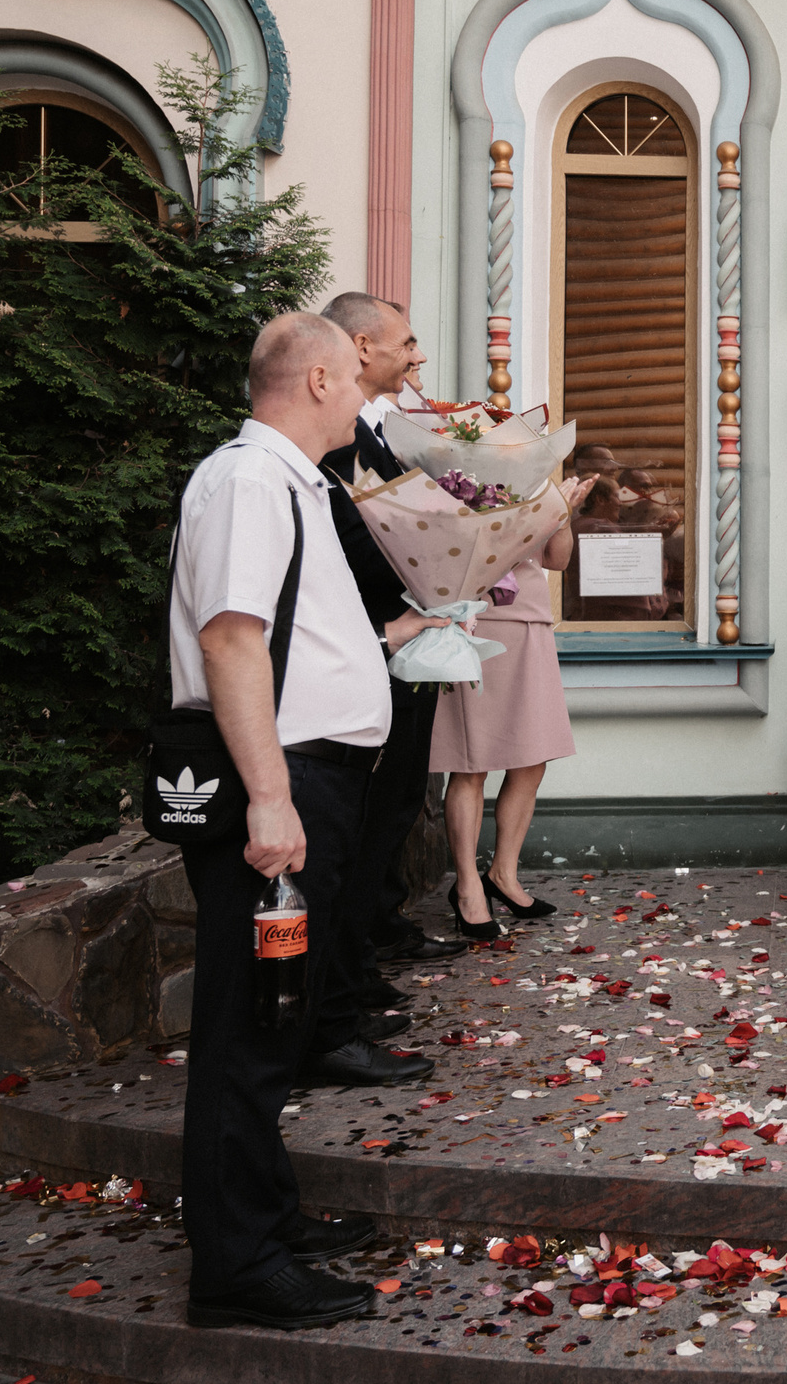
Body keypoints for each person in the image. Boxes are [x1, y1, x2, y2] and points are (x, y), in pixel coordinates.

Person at [168, 312, 438, 1330]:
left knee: (277, 1017)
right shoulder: (246, 479)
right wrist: (273, 795)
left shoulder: (290, 480)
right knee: (246, 1026)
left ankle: (267, 1215)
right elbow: (234, 638)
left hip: (310, 777)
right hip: (274, 783)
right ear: (324, 374)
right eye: (355, 375)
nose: (367, 388)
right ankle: (236, 1265)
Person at [316, 295, 466, 1028]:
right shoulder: (332, 443)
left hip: (406, 631)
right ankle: (346, 976)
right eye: (408, 342)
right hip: (371, 638)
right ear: (362, 344)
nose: (419, 356)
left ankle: (366, 944)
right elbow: (357, 540)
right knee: (369, 816)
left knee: (397, 802)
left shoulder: (383, 434)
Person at [436, 460, 601, 936]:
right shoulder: (459, 482)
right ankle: (467, 885)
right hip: (476, 622)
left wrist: (562, 514)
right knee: (471, 763)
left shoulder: (540, 483)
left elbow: (558, 561)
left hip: (529, 623)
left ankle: (502, 874)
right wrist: (544, 515)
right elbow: (476, 554)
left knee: (531, 759)